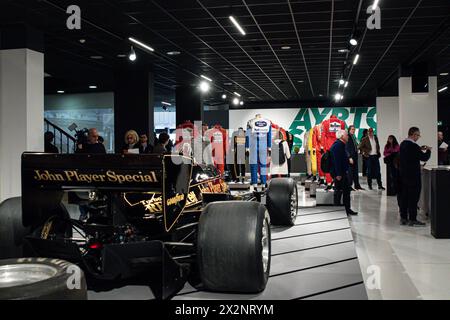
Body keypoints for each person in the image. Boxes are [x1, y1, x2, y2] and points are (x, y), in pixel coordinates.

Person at [399, 127, 431, 226]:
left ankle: (403, 218)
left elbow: (410, 156)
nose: (418, 137)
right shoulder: (414, 146)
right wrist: (429, 150)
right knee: (413, 198)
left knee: (404, 197)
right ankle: (412, 219)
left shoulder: (403, 144)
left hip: (403, 175)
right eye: (418, 135)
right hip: (413, 176)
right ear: (413, 134)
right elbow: (424, 157)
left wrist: (419, 148)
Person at [330, 130, 358, 216]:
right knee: (339, 191)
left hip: (342, 172)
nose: (348, 137)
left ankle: (346, 209)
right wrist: (338, 174)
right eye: (346, 135)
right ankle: (337, 209)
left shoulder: (341, 145)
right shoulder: (338, 145)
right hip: (339, 173)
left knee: (346, 191)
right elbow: (336, 161)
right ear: (342, 136)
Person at [346, 126, 363, 190]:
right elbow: (347, 148)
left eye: (354, 129)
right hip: (351, 157)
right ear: (349, 130)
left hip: (355, 156)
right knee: (350, 172)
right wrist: (349, 157)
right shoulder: (348, 136)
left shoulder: (353, 137)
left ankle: (357, 185)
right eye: (352, 129)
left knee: (355, 172)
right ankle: (349, 186)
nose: (353, 130)